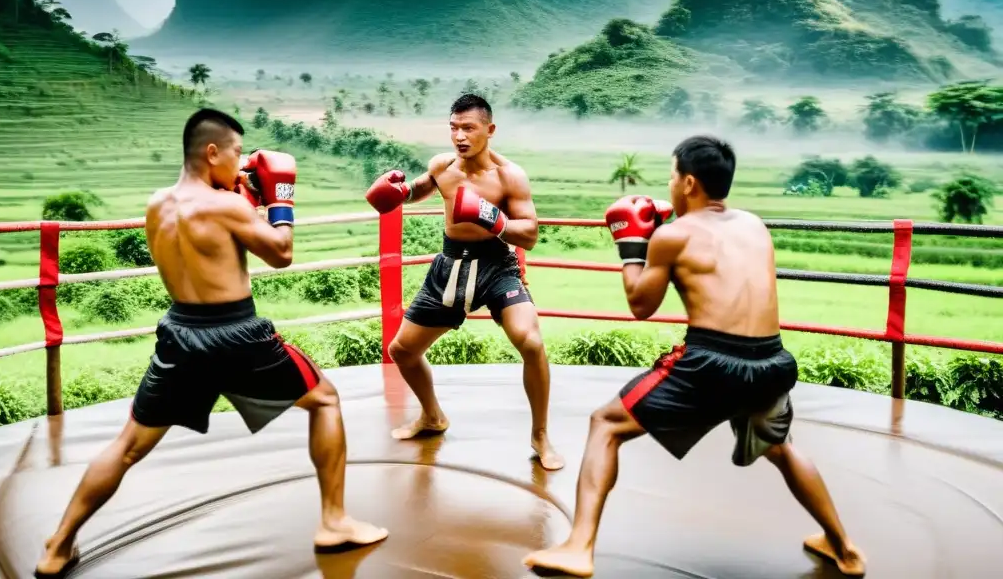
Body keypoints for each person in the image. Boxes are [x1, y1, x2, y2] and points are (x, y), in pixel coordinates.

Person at [34, 108, 387, 579]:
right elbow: (281, 254)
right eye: (238, 154)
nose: (242, 165)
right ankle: (334, 521)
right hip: (236, 333)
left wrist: (240, 196)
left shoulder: (157, 202)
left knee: (126, 446)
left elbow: (208, 244)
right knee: (324, 400)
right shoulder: (229, 206)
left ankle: (58, 545)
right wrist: (280, 198)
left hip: (179, 335)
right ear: (212, 151)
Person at [522, 135, 865, 578]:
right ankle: (845, 547)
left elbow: (640, 304)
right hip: (772, 363)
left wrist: (632, 245)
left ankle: (578, 547)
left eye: (670, 176)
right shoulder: (754, 225)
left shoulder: (672, 235)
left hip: (711, 363)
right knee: (780, 446)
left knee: (605, 425)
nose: (667, 185)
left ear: (687, 182)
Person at [364, 93, 564, 471]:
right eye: (454, 127)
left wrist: (493, 218)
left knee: (532, 343)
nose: (459, 136)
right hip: (449, 265)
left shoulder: (509, 176)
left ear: (489, 130)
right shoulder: (442, 166)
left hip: (496, 267)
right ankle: (432, 417)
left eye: (468, 128)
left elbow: (531, 235)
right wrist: (396, 193)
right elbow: (419, 191)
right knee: (403, 351)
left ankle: (540, 434)